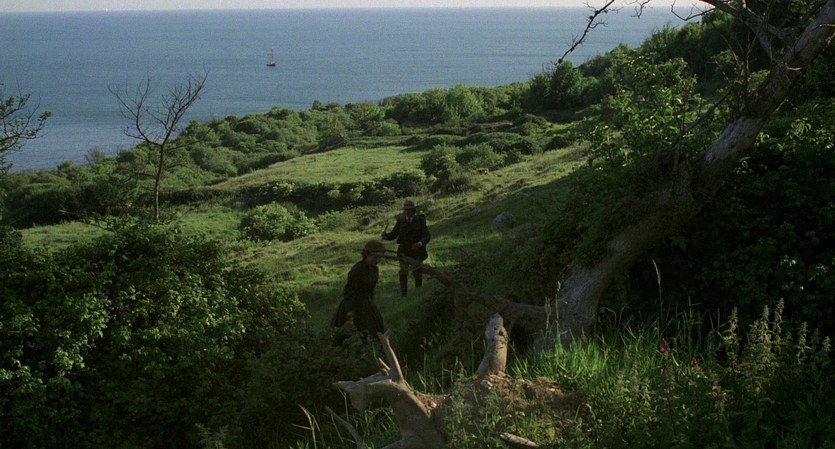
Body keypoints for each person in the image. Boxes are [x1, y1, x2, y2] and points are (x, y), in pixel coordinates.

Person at [331, 240, 386, 337]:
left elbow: (371, 290)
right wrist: (350, 315)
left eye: (380, 258)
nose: (378, 260)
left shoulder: (374, 269)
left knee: (374, 331)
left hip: (367, 304)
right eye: (375, 257)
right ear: (367, 255)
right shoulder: (357, 269)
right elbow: (349, 293)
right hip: (354, 304)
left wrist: (372, 304)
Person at [381, 199, 431, 297]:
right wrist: (385, 236)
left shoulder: (420, 221)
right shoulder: (400, 221)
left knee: (417, 272)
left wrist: (420, 243)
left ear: (414, 210)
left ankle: (418, 293)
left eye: (409, 209)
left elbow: (427, 236)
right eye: (406, 210)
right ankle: (403, 295)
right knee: (403, 272)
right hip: (403, 251)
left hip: (417, 251)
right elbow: (393, 235)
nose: (407, 211)